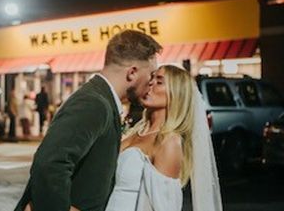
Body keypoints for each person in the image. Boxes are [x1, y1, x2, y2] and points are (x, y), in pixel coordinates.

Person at [14, 30, 161, 211]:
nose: (152, 82)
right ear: (132, 73)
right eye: (151, 74)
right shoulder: (93, 103)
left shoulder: (102, 100)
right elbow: (50, 164)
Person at [105, 65, 222, 211]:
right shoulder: (136, 131)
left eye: (159, 82)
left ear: (176, 94)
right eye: (152, 78)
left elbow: (162, 206)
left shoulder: (169, 141)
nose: (150, 83)